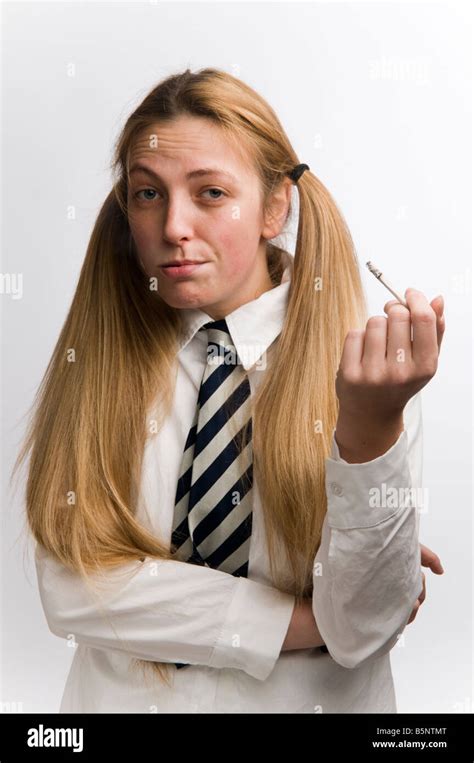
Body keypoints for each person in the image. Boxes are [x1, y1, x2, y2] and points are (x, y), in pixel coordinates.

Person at [14, 67, 445, 713]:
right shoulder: (100, 357)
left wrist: (369, 437)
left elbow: (362, 630)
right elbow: (72, 587)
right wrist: (302, 621)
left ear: (276, 207)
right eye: (147, 194)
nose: (173, 226)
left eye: (210, 192)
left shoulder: (367, 375)